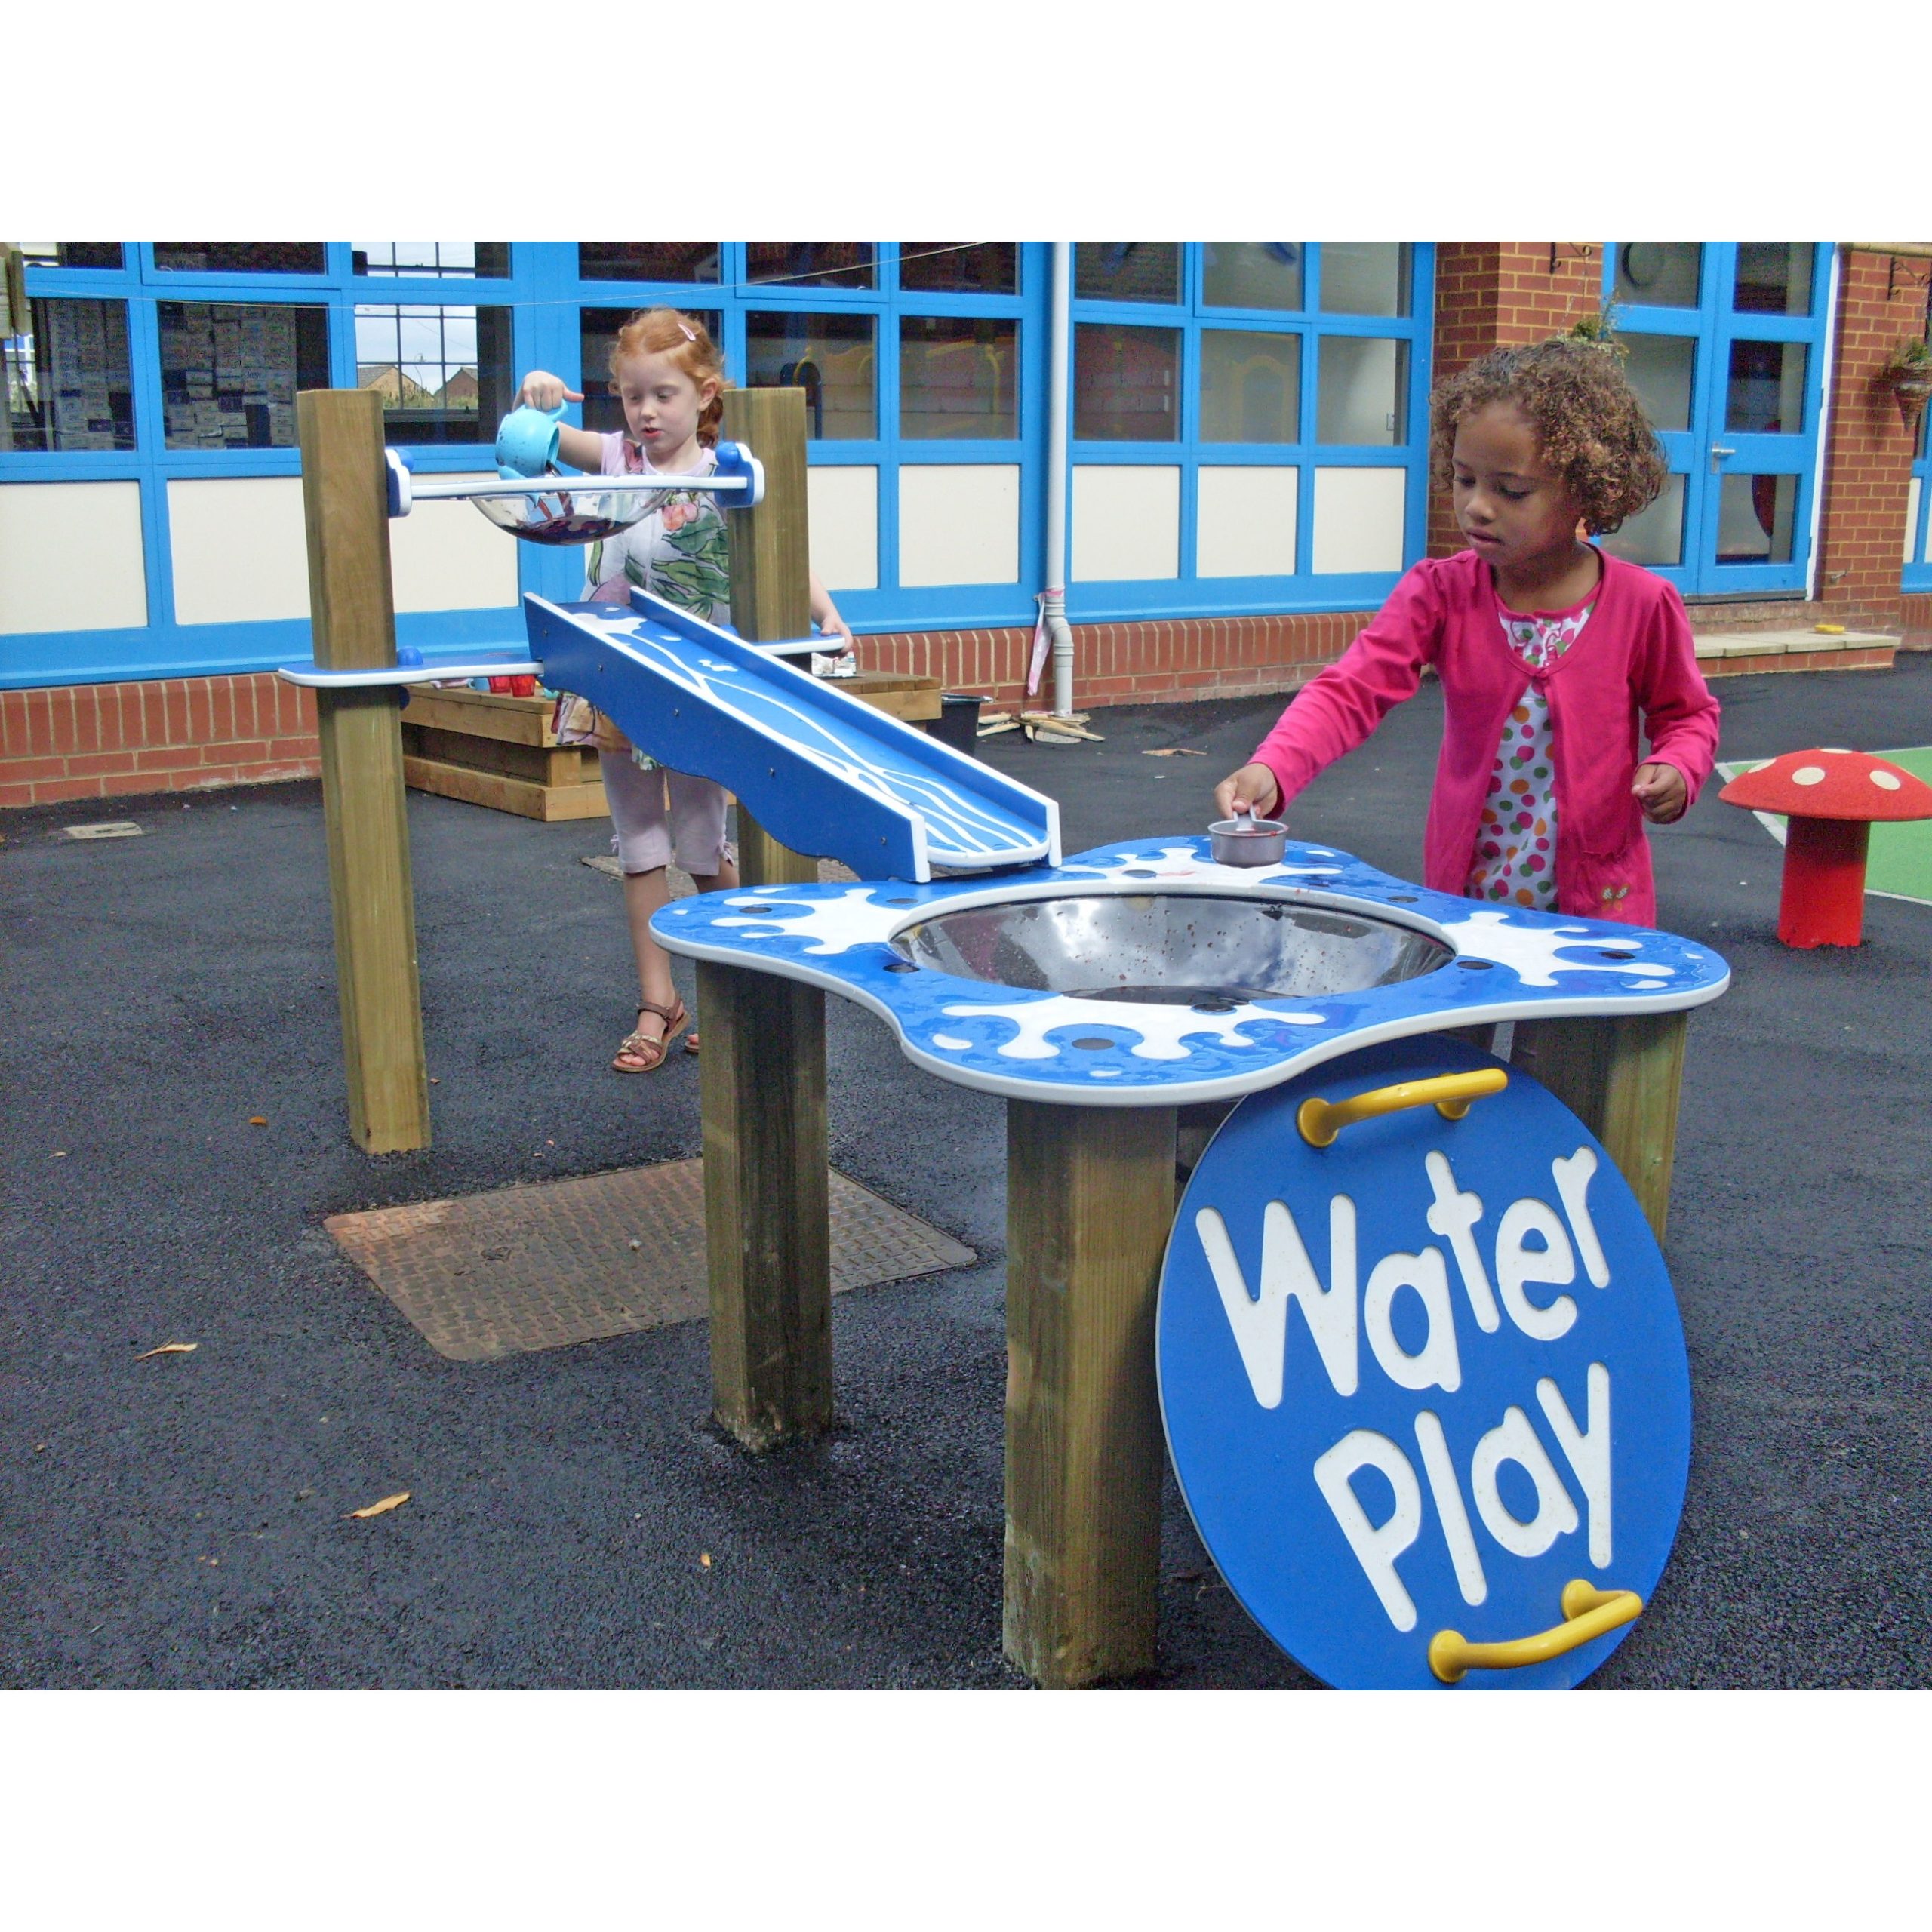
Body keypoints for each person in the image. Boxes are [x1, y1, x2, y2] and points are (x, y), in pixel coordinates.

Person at [1214, 337, 1721, 927]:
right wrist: (1275, 766)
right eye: (1464, 479)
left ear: (1585, 489)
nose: (1477, 507)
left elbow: (1686, 715)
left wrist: (1680, 767)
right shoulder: (1441, 592)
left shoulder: (1641, 602)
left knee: (1575, 1024)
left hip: (1597, 907)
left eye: (1511, 490)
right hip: (1464, 902)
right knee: (1454, 1021)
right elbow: (1350, 690)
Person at [516, 308, 853, 1072]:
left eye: (663, 395)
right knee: (637, 847)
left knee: (703, 844)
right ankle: (657, 1002)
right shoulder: (613, 458)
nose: (646, 413)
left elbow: (775, 549)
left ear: (706, 394)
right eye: (632, 396)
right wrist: (533, 398)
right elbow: (533, 440)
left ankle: (740, 989)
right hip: (617, 677)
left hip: (696, 683)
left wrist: (826, 611)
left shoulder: (725, 471)